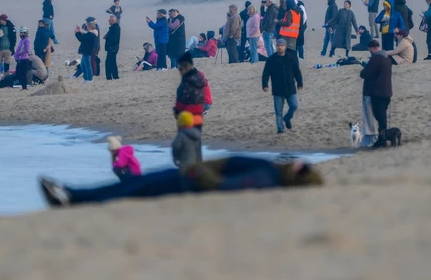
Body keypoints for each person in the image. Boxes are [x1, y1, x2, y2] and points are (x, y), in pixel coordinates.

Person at [39, 155, 322, 208]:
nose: (299, 162)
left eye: (303, 167)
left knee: (132, 189)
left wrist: (198, 173)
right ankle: (72, 194)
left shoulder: (266, 177)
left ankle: (73, 198)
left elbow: (225, 188)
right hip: (188, 176)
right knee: (130, 186)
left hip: (186, 182)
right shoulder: (271, 172)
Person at [261, 38, 303, 133]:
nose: (279, 47)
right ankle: (280, 129)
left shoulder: (291, 58)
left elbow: (297, 71)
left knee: (294, 105)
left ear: (285, 46)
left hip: (290, 87)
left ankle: (287, 118)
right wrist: (265, 85)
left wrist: (300, 83)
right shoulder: (271, 59)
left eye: (281, 45)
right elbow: (266, 73)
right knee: (278, 111)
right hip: (277, 89)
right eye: (278, 45)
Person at [172, 53, 206, 165]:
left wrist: (176, 111)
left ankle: (188, 171)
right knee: (196, 144)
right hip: (198, 118)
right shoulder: (199, 78)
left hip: (186, 118)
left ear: (185, 66)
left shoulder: (188, 81)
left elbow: (183, 100)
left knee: (185, 146)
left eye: (180, 68)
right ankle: (199, 167)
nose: (179, 71)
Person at [359, 39, 393, 149]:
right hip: (387, 91)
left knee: (379, 116)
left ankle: (381, 139)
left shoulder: (376, 58)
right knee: (382, 116)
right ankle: (382, 138)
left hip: (376, 91)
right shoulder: (387, 58)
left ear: (372, 48)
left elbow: (365, 73)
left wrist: (364, 68)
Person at [0, 14, 17, 82]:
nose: (0, 21)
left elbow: (14, 39)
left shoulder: (11, 27)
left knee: (7, 66)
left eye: (1, 20)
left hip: (8, 49)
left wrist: (12, 48)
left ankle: (6, 80)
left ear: (4, 20)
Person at [104, 15, 121, 80]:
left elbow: (114, 39)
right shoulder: (114, 27)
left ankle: (110, 77)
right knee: (113, 62)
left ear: (113, 20)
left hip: (112, 48)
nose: (108, 21)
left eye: (109, 20)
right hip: (113, 47)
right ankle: (115, 76)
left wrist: (107, 38)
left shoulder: (115, 28)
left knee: (108, 62)